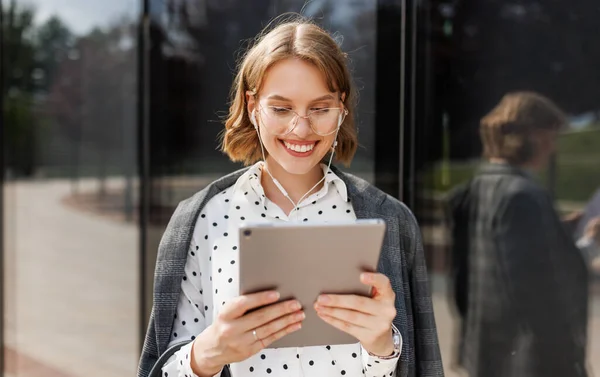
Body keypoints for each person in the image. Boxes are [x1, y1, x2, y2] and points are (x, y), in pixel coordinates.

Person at [137, 17, 443, 377]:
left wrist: (383, 346)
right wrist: (206, 354)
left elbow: (421, 366)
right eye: (281, 108)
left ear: (341, 106)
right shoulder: (200, 219)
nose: (301, 128)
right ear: (252, 106)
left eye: (320, 108)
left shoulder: (392, 220)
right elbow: (162, 367)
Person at [447, 91, 596, 377]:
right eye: (551, 138)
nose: (552, 149)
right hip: (528, 363)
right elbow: (539, 289)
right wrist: (591, 243)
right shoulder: (523, 197)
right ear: (533, 137)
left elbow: (478, 270)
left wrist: (559, 230)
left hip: (488, 354)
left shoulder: (476, 189)